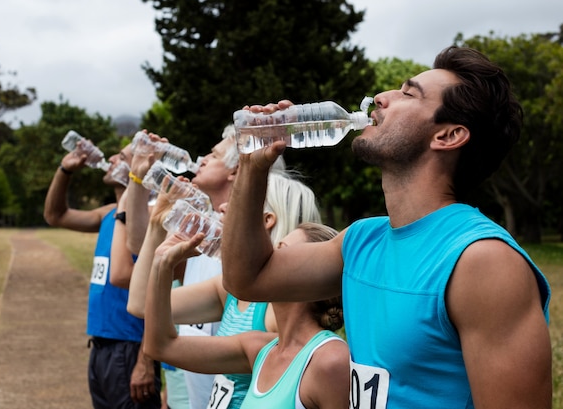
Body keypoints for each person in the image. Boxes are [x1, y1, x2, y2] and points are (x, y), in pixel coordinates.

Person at [220, 46, 552, 409]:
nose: (381, 98)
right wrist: (253, 168)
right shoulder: (361, 241)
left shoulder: (482, 261)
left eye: (408, 94)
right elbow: (246, 278)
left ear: (448, 136)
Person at [130, 169, 322, 409]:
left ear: (267, 220)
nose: (221, 208)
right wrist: (157, 226)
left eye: (236, 202)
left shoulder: (278, 310)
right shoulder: (230, 291)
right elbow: (140, 304)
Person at [144, 222, 350, 409]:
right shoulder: (260, 349)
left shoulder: (329, 360)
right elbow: (160, 346)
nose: (269, 257)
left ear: (313, 276)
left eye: (281, 250)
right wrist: (162, 265)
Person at [43, 138, 161, 409]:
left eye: (120, 156)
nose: (110, 160)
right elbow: (55, 215)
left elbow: (163, 291)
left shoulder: (150, 216)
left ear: (141, 166)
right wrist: (65, 170)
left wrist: (145, 360)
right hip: (101, 345)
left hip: (131, 346)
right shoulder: (110, 213)